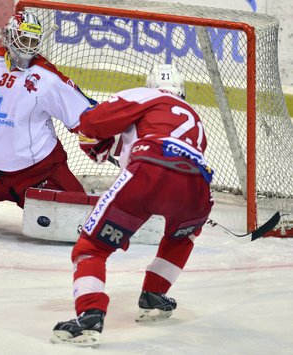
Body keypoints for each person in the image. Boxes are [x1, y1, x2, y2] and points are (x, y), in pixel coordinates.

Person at [51, 64, 214, 347]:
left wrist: (97, 141)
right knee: (181, 237)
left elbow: (91, 124)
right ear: (183, 91)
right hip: (198, 188)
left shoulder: (146, 96)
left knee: (91, 248)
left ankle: (89, 315)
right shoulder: (195, 117)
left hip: (149, 173)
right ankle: (154, 295)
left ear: (151, 85)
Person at [0, 11, 96, 222]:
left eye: (33, 40)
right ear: (9, 36)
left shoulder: (48, 79)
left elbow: (84, 114)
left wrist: (108, 133)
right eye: (24, 38)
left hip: (38, 172)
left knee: (77, 220)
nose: (28, 45)